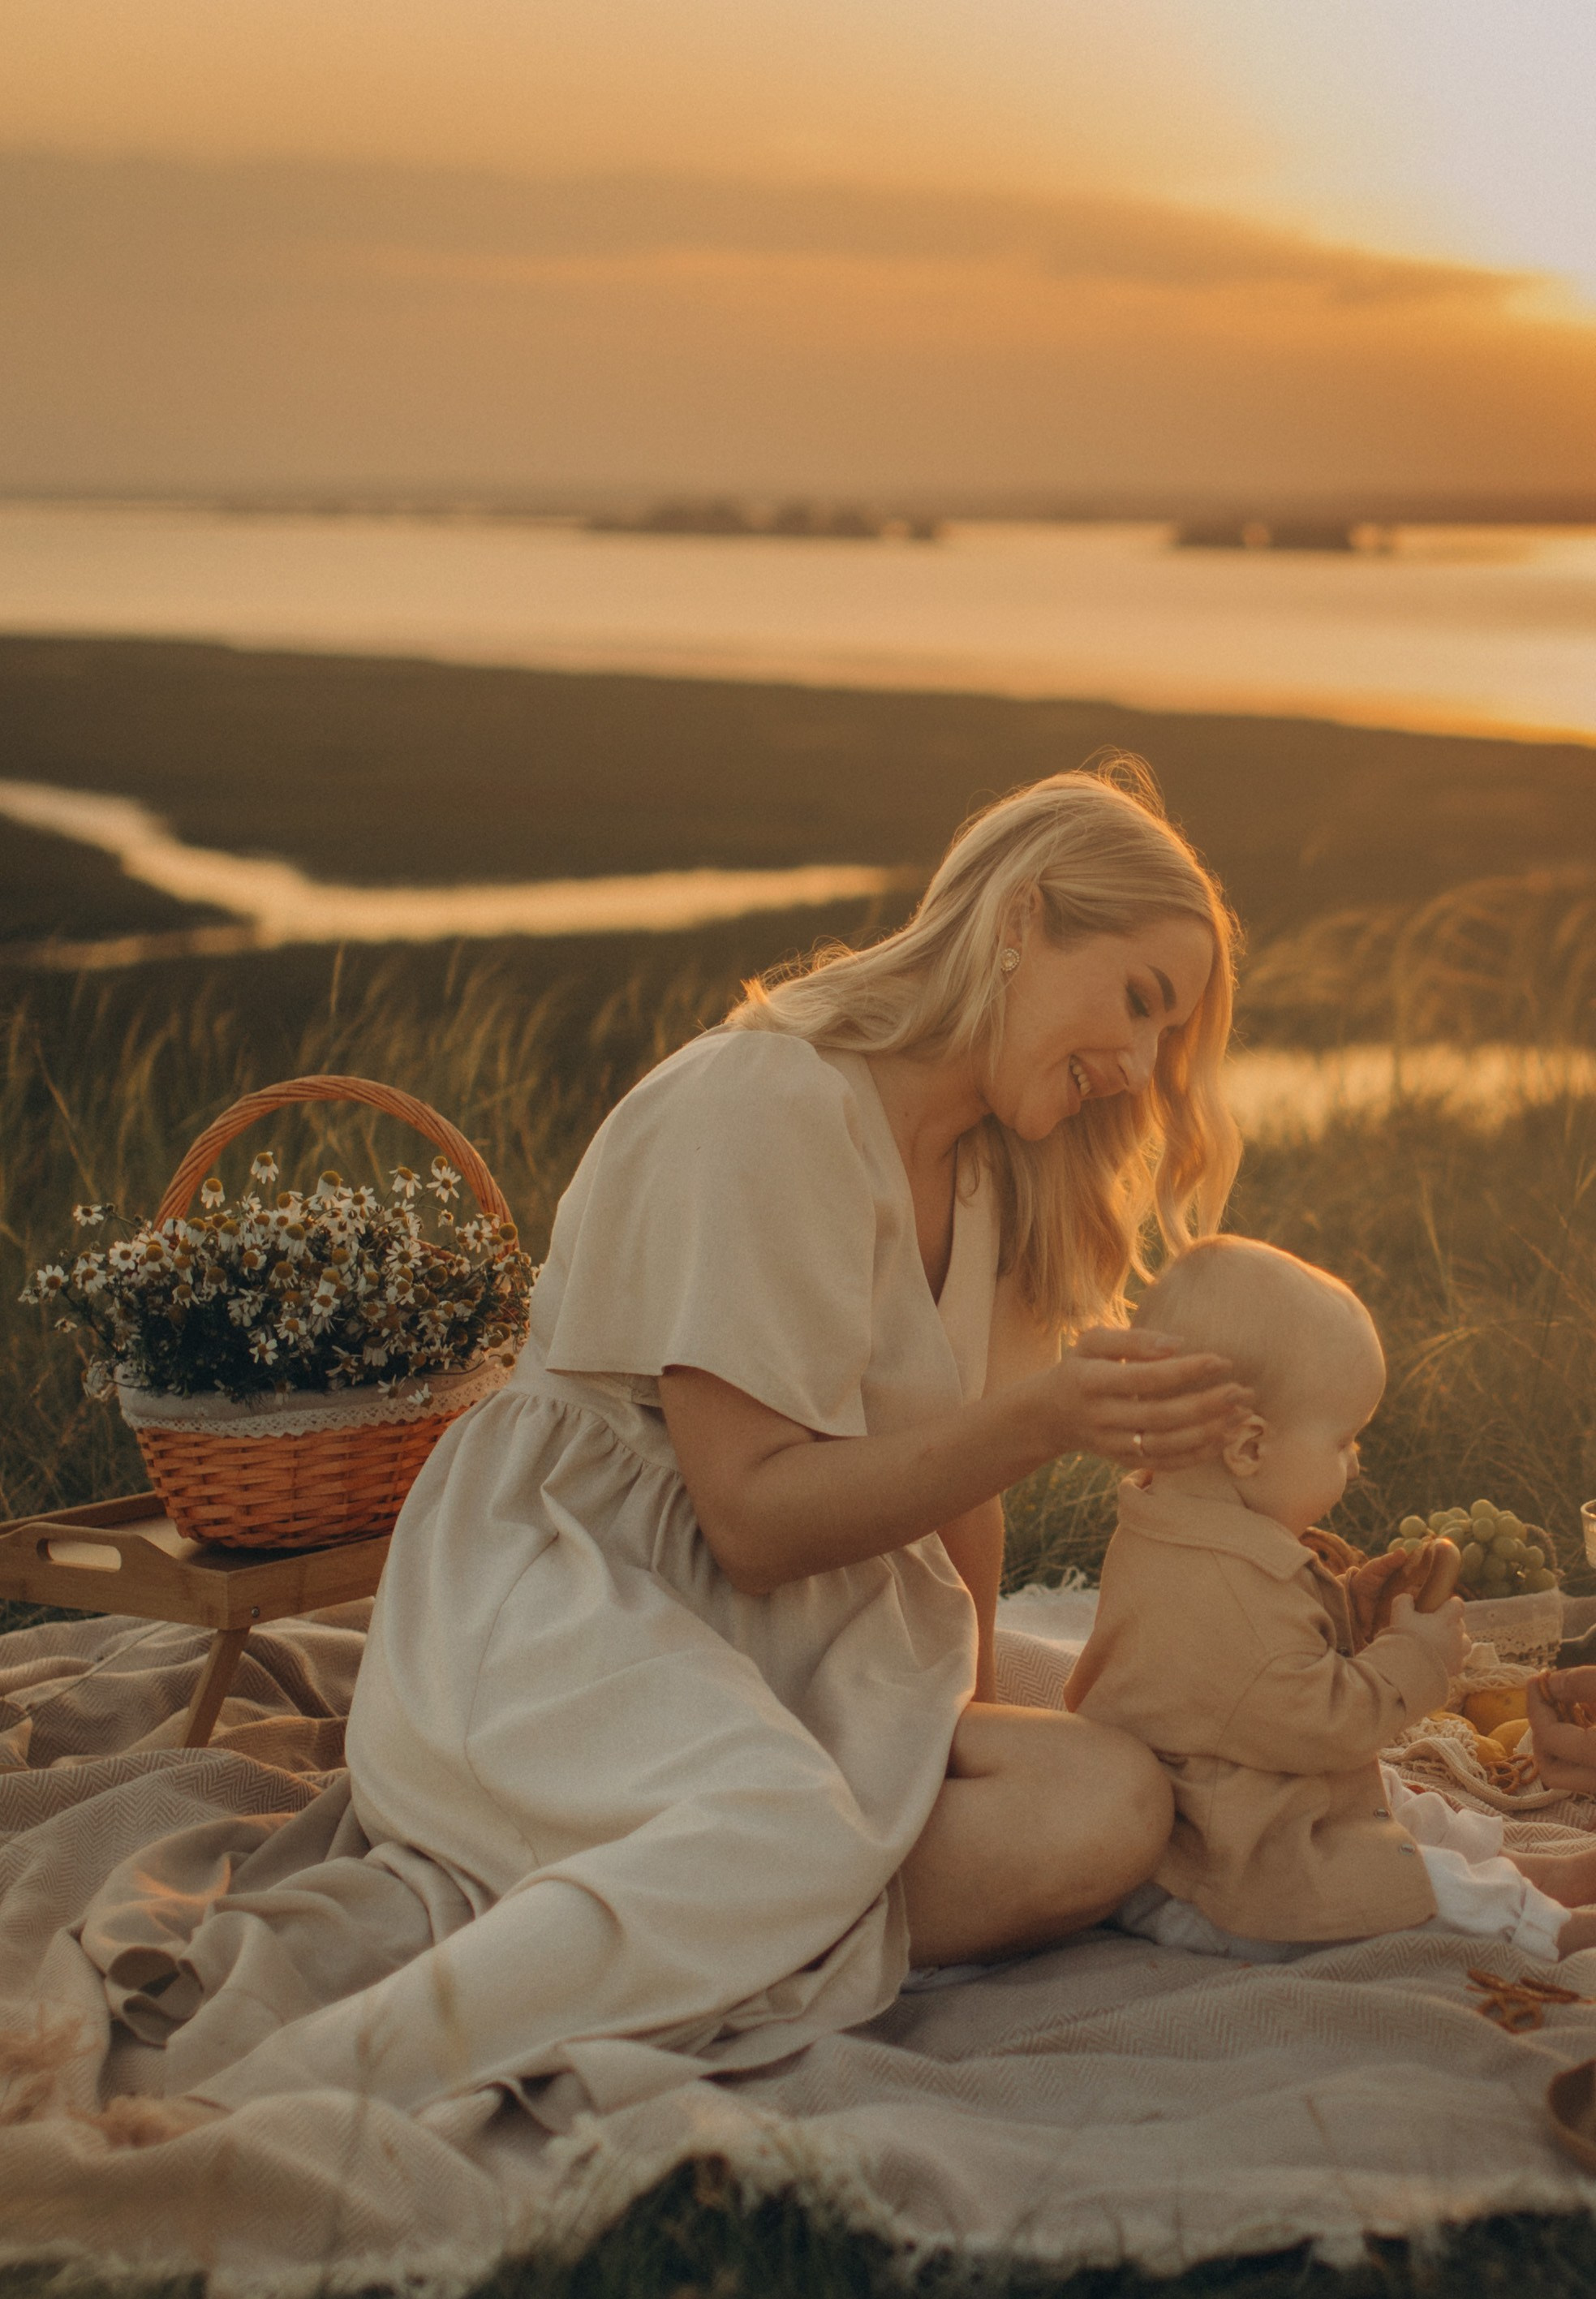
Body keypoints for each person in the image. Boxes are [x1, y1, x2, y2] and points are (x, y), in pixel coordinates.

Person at [167, 760, 1256, 2124]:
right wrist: (1037, 1422)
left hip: (786, 1610)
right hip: (581, 1577)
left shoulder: (993, 1169)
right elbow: (745, 1511)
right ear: (1021, 919)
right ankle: (315, 2080)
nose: (1144, 1066)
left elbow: (963, 1486)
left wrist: (956, 1702)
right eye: (1138, 1001)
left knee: (1112, 1775)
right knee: (785, 1821)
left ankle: (695, 1913)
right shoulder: (769, 1102)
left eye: (1173, 1033)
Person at [1066, 1235, 1596, 1963]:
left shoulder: (1183, 1535)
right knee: (1402, 1872)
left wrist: (1347, 1610)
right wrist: (1411, 1658)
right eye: (1343, 1439)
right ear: (1249, 1446)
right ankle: (1548, 1927)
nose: (1354, 1460)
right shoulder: (1225, 1587)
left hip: (1239, 1788)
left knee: (1398, 1804)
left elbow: (1257, 1669)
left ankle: (1541, 1874)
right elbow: (1326, 1723)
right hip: (1231, 1867)